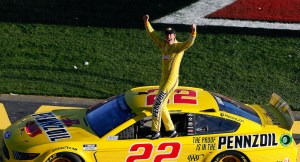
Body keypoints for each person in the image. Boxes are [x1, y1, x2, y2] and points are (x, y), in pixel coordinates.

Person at [143, 14, 197, 139]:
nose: (168, 36)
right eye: (166, 34)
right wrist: (146, 22)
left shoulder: (178, 47)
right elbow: (152, 34)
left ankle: (155, 132)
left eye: (170, 34)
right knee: (162, 106)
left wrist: (193, 32)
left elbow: (189, 43)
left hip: (171, 82)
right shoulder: (163, 45)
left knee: (156, 105)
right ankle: (171, 130)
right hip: (163, 80)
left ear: (174, 35)